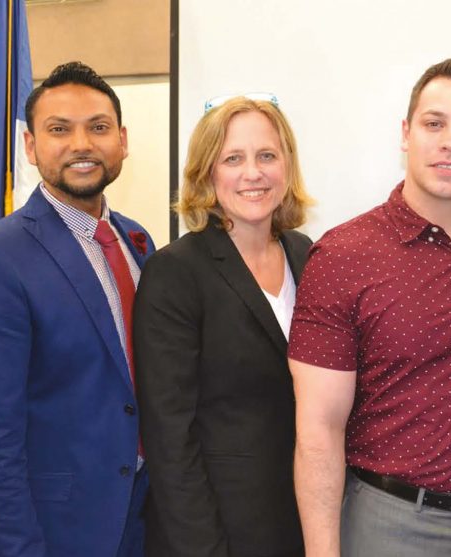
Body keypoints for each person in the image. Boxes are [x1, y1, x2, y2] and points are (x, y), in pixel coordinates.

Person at [288, 55, 451, 557]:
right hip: (390, 527)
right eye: (434, 123)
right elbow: (318, 432)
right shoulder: (342, 257)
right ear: (406, 133)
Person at [0, 61, 154, 557]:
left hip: (141, 518)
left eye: (98, 127)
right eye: (60, 129)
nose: (82, 143)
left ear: (122, 140)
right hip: (51, 530)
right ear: (31, 146)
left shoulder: (136, 240)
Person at [134, 95, 312, 557]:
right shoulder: (175, 272)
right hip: (216, 532)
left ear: (287, 166)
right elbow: (170, 438)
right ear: (207, 173)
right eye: (233, 158)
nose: (253, 173)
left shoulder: (305, 254)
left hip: (300, 520)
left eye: (266, 156)